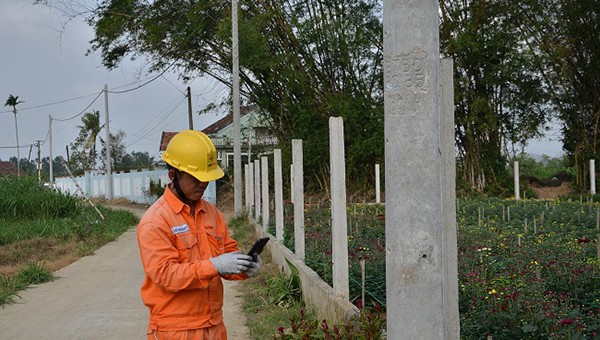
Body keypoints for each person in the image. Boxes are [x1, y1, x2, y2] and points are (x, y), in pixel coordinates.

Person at [137, 130, 261, 340]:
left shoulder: (212, 214)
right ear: (173, 174)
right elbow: (166, 275)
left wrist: (244, 267)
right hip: (175, 330)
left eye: (206, 178)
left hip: (213, 325)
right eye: (196, 178)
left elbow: (227, 256)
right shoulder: (156, 221)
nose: (202, 184)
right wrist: (215, 265)